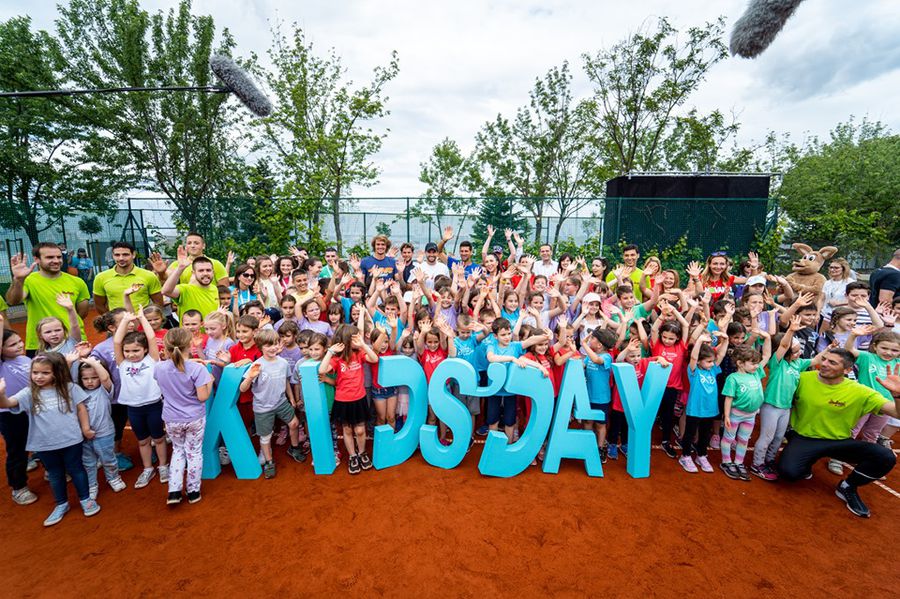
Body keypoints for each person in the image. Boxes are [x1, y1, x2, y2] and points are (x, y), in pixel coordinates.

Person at [778, 348, 899, 518]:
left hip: (839, 441)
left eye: (832, 362)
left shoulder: (860, 391)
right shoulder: (803, 378)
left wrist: (897, 396)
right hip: (804, 437)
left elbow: (896, 413)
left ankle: (848, 486)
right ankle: (806, 461)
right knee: (789, 473)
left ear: (848, 370)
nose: (824, 364)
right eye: (824, 359)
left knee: (886, 457)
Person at [0, 353, 101, 527]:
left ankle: (86, 499)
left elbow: (81, 409)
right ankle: (61, 503)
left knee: (76, 469)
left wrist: (85, 428)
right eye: (35, 372)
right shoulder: (29, 393)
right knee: (55, 474)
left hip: (71, 440)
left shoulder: (69, 388)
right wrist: (1, 394)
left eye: (45, 373)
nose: (39, 377)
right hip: (44, 444)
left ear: (57, 372)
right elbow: (7, 404)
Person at [155, 328, 213, 505]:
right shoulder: (197, 369)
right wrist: (209, 381)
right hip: (194, 417)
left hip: (171, 418)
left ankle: (174, 491)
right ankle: (193, 491)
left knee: (178, 451)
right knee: (194, 453)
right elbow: (203, 397)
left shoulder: (159, 368)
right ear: (189, 345)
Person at [239, 330, 305, 479]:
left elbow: (286, 381)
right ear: (261, 347)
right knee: (266, 436)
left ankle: (294, 448)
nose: (273, 348)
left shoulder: (283, 362)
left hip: (281, 402)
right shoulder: (256, 365)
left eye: (275, 344)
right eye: (269, 345)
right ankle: (269, 461)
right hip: (262, 407)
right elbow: (243, 388)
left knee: (294, 423)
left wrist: (291, 398)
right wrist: (250, 378)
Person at [114, 310, 167, 489]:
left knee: (158, 438)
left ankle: (163, 466)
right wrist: (126, 320)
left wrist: (142, 317)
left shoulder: (152, 360)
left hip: (154, 405)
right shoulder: (122, 363)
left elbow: (151, 338)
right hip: (134, 409)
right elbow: (117, 341)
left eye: (136, 350)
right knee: (143, 441)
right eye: (127, 351)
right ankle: (147, 468)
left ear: (144, 349)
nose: (131, 354)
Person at [5, 244, 90, 353]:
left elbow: (82, 313)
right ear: (37, 259)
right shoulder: (29, 280)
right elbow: (13, 301)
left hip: (73, 342)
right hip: (40, 344)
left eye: (59, 257)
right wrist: (18, 279)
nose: (56, 261)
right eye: (50, 257)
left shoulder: (77, 282)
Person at [318, 325, 379, 475]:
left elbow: (374, 358)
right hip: (342, 400)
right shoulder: (336, 358)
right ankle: (352, 456)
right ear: (346, 340)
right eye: (355, 337)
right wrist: (330, 352)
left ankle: (362, 453)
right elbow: (322, 370)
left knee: (359, 430)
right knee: (347, 429)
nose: (358, 339)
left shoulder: (359, 353)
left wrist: (363, 344)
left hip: (359, 398)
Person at [75, 357, 126, 499]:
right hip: (83, 436)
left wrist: (94, 363)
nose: (90, 381)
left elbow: (105, 378)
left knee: (108, 459)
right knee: (88, 463)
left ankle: (113, 478)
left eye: (94, 377)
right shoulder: (77, 392)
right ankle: (91, 485)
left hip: (104, 433)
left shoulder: (105, 390)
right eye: (85, 378)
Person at [0, 317, 36, 506]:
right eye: (12, 344)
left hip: (32, 408)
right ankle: (19, 487)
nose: (19, 345)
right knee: (17, 450)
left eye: (20, 341)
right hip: (10, 413)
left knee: (41, 439)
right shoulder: (2, 364)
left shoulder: (24, 359)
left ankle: (49, 468)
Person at [93, 241, 163, 314]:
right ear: (113, 256)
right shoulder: (101, 277)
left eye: (125, 254)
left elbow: (158, 303)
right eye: (117, 255)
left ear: (133, 255)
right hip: (117, 324)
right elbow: (99, 305)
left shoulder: (149, 276)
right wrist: (113, 320)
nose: (121, 258)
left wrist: (147, 320)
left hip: (143, 323)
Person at [161, 247, 220, 322]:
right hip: (189, 333)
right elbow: (165, 291)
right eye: (201, 271)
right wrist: (180, 268)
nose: (205, 273)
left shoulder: (214, 288)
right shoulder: (185, 289)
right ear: (193, 273)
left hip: (211, 333)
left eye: (208, 270)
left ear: (213, 272)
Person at [152, 232, 229, 287]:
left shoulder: (215, 264)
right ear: (186, 246)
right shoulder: (178, 264)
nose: (192, 246)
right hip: (187, 306)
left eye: (196, 243)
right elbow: (164, 282)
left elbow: (224, 288)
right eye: (189, 243)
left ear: (203, 246)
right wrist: (161, 273)